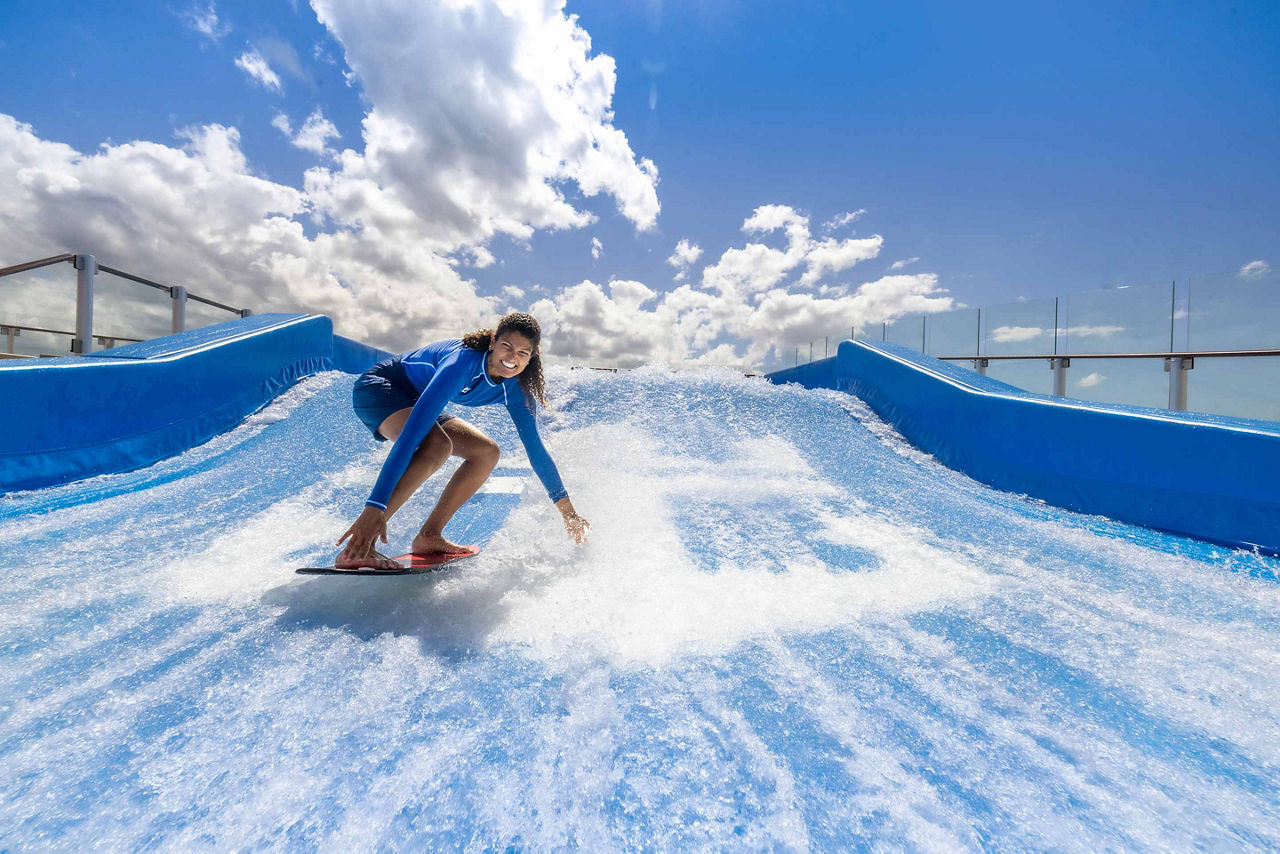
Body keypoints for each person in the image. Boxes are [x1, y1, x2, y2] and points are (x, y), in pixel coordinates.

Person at [336, 312, 589, 569]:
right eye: (507, 346)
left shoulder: (517, 391)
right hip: (381, 387)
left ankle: (429, 536)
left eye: (523, 353)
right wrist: (374, 506)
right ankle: (359, 547)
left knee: (486, 453)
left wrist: (569, 513)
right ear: (493, 341)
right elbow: (409, 439)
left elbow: (536, 450)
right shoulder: (461, 364)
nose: (512, 357)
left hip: (416, 398)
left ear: (531, 357)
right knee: (438, 445)